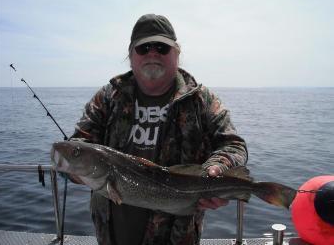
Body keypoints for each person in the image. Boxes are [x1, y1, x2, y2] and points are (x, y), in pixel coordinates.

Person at [70, 14, 248, 245]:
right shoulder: (107, 98)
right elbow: (78, 148)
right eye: (143, 47)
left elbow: (234, 145)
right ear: (130, 55)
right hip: (111, 236)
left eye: (162, 47)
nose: (152, 53)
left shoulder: (201, 100)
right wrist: (74, 170)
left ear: (177, 53)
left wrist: (217, 170)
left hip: (178, 235)